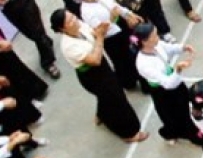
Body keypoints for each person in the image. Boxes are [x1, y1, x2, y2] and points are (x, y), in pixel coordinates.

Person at [50, 9, 149, 143]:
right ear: (63, 28)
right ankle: (128, 133)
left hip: (103, 67)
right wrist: (100, 37)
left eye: (72, 16)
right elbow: (95, 59)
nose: (75, 19)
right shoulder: (69, 46)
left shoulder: (81, 26)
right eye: (70, 20)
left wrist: (104, 26)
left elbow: (95, 34)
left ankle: (101, 114)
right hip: (92, 75)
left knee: (107, 96)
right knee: (117, 100)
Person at [133, 22, 202, 144]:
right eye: (154, 36)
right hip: (162, 90)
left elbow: (167, 48)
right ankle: (189, 135)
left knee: (186, 105)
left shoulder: (156, 45)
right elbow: (167, 84)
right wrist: (178, 69)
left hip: (174, 80)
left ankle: (190, 128)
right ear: (144, 41)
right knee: (176, 113)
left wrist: (182, 48)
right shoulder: (143, 64)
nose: (157, 37)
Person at [74, 0, 143, 90]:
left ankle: (143, 80)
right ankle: (128, 82)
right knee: (122, 62)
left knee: (135, 53)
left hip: (121, 27)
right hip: (111, 39)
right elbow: (100, 31)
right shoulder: (86, 11)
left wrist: (129, 14)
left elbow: (115, 6)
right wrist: (112, 19)